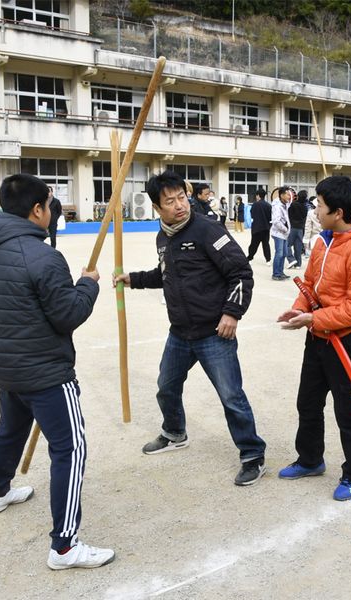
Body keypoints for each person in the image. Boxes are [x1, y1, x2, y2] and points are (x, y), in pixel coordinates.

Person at [0, 173, 113, 570]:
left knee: (10, 430)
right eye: (50, 204)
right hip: (46, 373)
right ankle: (64, 547)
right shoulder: (43, 256)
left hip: (8, 368)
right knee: (70, 448)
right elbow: (68, 314)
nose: (52, 211)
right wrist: (88, 284)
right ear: (36, 210)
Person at [113, 170, 266, 486]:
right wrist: (134, 279)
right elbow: (165, 274)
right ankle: (174, 432)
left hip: (215, 333)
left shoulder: (208, 229)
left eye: (181, 197)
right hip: (180, 332)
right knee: (166, 386)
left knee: (231, 396)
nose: (180, 205)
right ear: (157, 207)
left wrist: (232, 313)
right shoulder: (163, 236)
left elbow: (241, 273)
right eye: (170, 201)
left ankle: (253, 454)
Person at [277, 175, 351, 502]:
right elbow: (310, 284)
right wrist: (299, 309)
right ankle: (310, 459)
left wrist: (315, 318)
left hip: (346, 342)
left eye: (320, 205)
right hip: (317, 338)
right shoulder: (323, 241)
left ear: (338, 212)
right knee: (307, 402)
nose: (315, 210)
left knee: (347, 411)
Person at [271, 186, 292, 280]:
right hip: (278, 233)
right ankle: (276, 274)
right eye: (287, 194)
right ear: (282, 195)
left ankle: (281, 272)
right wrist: (285, 229)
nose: (289, 196)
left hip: (284, 234)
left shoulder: (285, 204)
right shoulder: (277, 206)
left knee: (284, 253)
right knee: (279, 253)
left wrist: (286, 231)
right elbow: (276, 221)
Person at [247, 188, 272, 264]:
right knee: (266, 244)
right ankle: (268, 260)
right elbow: (270, 217)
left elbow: (252, 215)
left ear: (258, 196)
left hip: (256, 228)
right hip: (266, 228)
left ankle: (250, 258)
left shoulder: (255, 204)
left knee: (253, 244)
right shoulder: (268, 205)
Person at [287, 189, 308, 269]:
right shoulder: (305, 207)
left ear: (298, 196)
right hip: (300, 229)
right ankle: (298, 264)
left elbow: (289, 214)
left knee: (287, 245)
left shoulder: (293, 204)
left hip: (292, 227)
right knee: (298, 247)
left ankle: (291, 259)